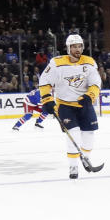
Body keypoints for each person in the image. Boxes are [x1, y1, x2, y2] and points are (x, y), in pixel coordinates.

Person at [38, 34, 101, 179]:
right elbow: (44, 81)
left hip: (83, 104)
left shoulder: (89, 62)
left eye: (79, 46)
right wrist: (47, 99)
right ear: (68, 48)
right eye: (74, 46)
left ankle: (85, 157)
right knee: (73, 134)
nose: (77, 49)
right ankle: (73, 166)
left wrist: (89, 96)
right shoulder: (57, 63)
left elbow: (96, 82)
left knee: (89, 136)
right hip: (65, 105)